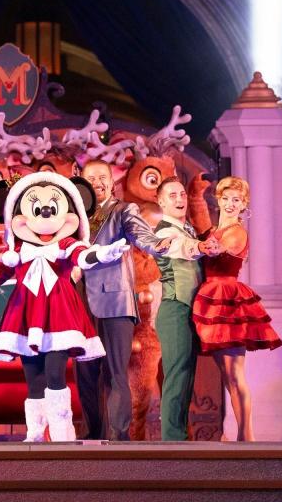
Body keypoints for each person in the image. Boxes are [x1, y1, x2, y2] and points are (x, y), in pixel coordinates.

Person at [0, 171, 128, 443]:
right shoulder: (17, 251)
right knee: (33, 376)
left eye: (52, 208)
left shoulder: (65, 244)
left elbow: (83, 255)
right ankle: (35, 432)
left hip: (59, 317)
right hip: (25, 315)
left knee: (54, 373)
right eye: (37, 208)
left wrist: (103, 253)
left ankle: (61, 433)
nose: (45, 215)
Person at [73, 159, 171, 441]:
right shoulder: (74, 217)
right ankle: (92, 435)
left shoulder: (122, 210)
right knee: (87, 375)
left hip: (115, 302)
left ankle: (119, 439)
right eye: (92, 179)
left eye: (103, 177)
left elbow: (140, 233)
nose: (98, 183)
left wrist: (155, 244)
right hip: (80, 303)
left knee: (116, 373)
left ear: (112, 182)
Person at [191, 176, 282, 441]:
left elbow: (222, 249)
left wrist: (209, 247)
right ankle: (241, 434)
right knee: (227, 375)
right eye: (226, 198)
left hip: (227, 300)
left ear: (244, 205)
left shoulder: (237, 231)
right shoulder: (215, 229)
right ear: (218, 200)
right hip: (211, 298)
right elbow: (207, 235)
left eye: (237, 200)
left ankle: (247, 435)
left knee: (235, 372)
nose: (231, 204)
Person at [152, 176, 220, 441]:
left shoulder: (187, 228)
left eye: (181, 194)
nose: (180, 199)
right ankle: (171, 441)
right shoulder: (164, 232)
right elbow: (183, 248)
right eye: (172, 196)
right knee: (176, 376)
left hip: (189, 310)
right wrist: (201, 246)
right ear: (160, 202)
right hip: (174, 310)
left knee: (186, 376)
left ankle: (179, 437)